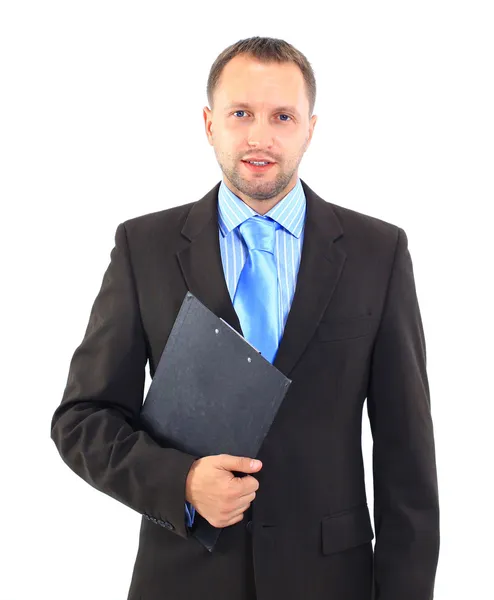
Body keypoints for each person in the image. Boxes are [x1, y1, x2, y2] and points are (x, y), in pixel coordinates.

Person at [50, 36, 440, 600]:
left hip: (330, 581)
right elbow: (82, 419)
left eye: (282, 116)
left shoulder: (377, 252)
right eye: (241, 114)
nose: (260, 136)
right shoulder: (145, 247)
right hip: (183, 578)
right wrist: (180, 482)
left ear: (310, 128)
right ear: (209, 123)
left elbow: (408, 460)